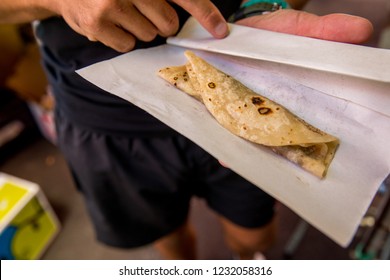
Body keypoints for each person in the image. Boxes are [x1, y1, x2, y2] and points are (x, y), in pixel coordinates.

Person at [0, 0, 373, 259]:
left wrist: (260, 8)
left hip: (237, 60)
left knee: (254, 233)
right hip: (104, 116)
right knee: (170, 239)